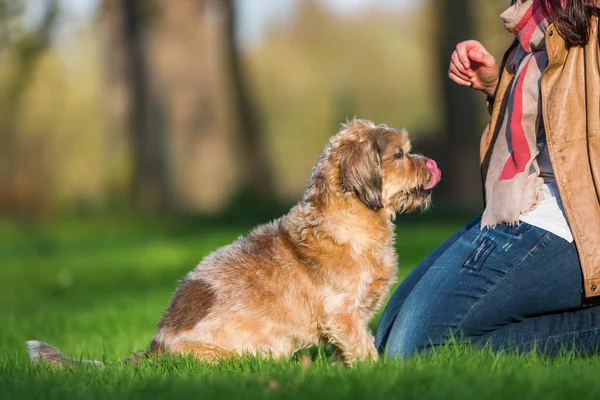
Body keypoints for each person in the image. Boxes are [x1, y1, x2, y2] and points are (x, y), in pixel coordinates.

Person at [376, 0, 600, 358]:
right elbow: (562, 125)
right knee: (386, 335)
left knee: (414, 349)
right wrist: (498, 88)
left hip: (579, 224)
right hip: (525, 205)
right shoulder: (539, 25)